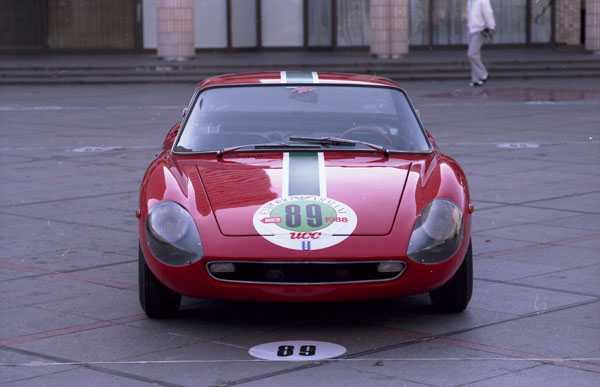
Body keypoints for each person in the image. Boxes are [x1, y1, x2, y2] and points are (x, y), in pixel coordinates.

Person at [466, 0, 495, 87]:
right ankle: (475, 79)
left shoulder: (483, 1)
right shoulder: (470, 1)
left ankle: (484, 75)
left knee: (471, 54)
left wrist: (491, 26)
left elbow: (488, 13)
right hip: (470, 29)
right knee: (475, 54)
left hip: (480, 29)